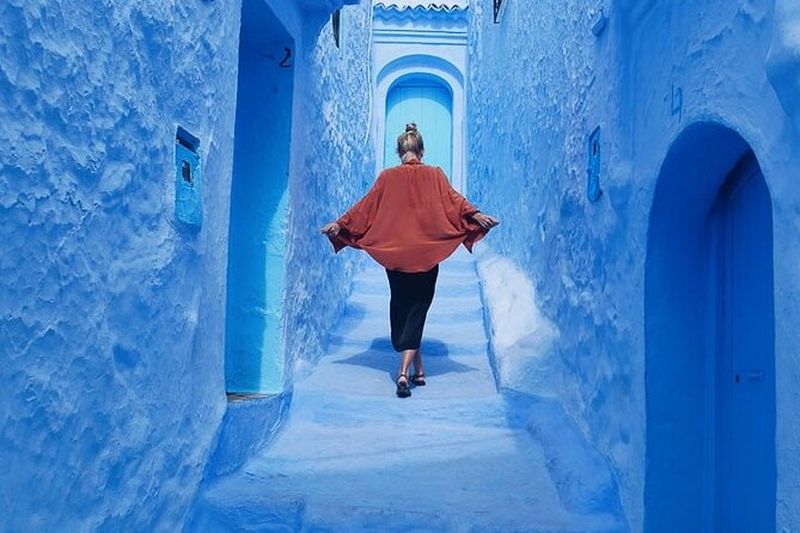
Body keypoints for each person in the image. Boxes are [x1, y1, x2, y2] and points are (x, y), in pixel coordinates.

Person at [321, 123, 499, 398]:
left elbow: (364, 208)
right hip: (427, 255)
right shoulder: (435, 175)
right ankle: (403, 374)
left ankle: (417, 370)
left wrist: (339, 224)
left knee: (403, 307)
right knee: (418, 310)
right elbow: (455, 202)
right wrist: (476, 216)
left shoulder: (386, 178)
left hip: (396, 256)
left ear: (399, 152)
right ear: (422, 150)